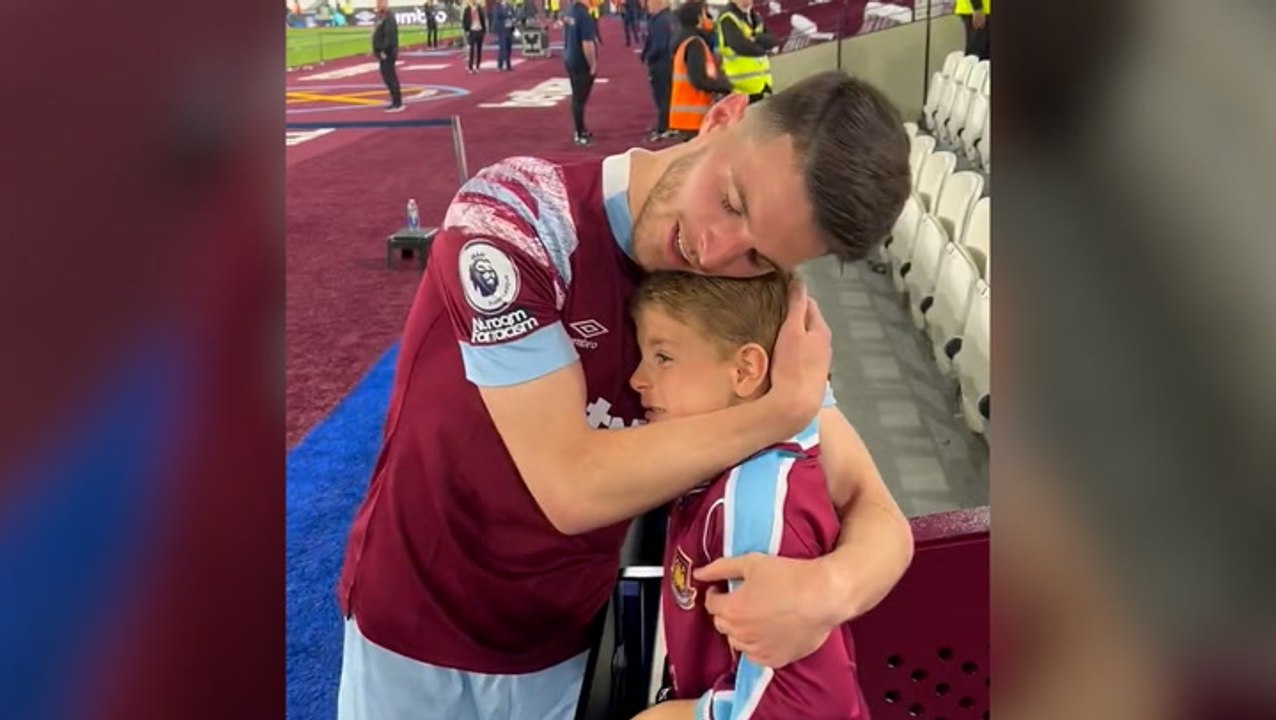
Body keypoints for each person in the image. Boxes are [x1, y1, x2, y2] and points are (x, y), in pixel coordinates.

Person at [336, 71, 915, 720]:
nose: (714, 252)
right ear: (720, 118)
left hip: (562, 639)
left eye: (760, 257)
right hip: (414, 620)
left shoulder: (748, 296)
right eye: (730, 201)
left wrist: (826, 591)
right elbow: (570, 486)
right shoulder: (519, 215)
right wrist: (779, 410)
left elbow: (876, 510)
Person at [628, 271, 869, 720]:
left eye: (662, 357)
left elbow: (810, 707)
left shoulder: (755, 505)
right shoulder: (720, 464)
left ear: (745, 371)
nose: (637, 379)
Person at [667, 0, 733, 139]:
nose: (708, 19)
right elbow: (699, 79)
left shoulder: (684, 40)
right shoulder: (695, 43)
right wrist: (726, 85)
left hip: (687, 115)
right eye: (705, 15)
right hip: (695, 117)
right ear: (698, 19)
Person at [716, 0, 776, 103]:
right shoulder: (728, 17)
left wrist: (756, 37)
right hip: (740, 88)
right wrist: (762, 50)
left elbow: (772, 40)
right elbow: (740, 46)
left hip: (760, 85)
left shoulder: (756, 16)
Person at [563, 0, 598, 145]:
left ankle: (581, 129)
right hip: (580, 61)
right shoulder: (584, 16)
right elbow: (587, 44)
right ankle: (579, 132)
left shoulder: (570, 11)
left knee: (577, 97)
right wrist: (593, 64)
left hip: (570, 57)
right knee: (579, 99)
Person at [639, 0, 675, 142]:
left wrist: (648, 56)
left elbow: (659, 45)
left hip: (661, 65)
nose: (648, 6)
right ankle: (663, 125)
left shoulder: (662, 21)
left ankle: (663, 127)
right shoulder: (661, 19)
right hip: (662, 64)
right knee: (662, 96)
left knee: (662, 97)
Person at [372, 0, 404, 112]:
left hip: (388, 52)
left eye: (379, 3)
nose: (377, 5)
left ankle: (397, 102)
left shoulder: (388, 17)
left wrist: (383, 49)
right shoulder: (382, 17)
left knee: (390, 76)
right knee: (387, 76)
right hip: (384, 51)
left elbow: (389, 36)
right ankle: (395, 101)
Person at [462, 0, 487, 72]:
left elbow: (483, 19)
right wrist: (467, 30)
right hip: (472, 31)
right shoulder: (467, 9)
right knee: (472, 50)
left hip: (479, 30)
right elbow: (464, 21)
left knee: (479, 49)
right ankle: (470, 67)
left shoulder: (479, 9)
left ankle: (478, 66)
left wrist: (483, 30)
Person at [493, 0, 517, 70]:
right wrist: (507, 17)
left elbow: (513, 15)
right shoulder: (497, 7)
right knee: (503, 47)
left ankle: (508, 64)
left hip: (509, 29)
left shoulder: (510, 6)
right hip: (501, 30)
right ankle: (500, 65)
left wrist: (512, 19)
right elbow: (498, 17)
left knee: (509, 47)